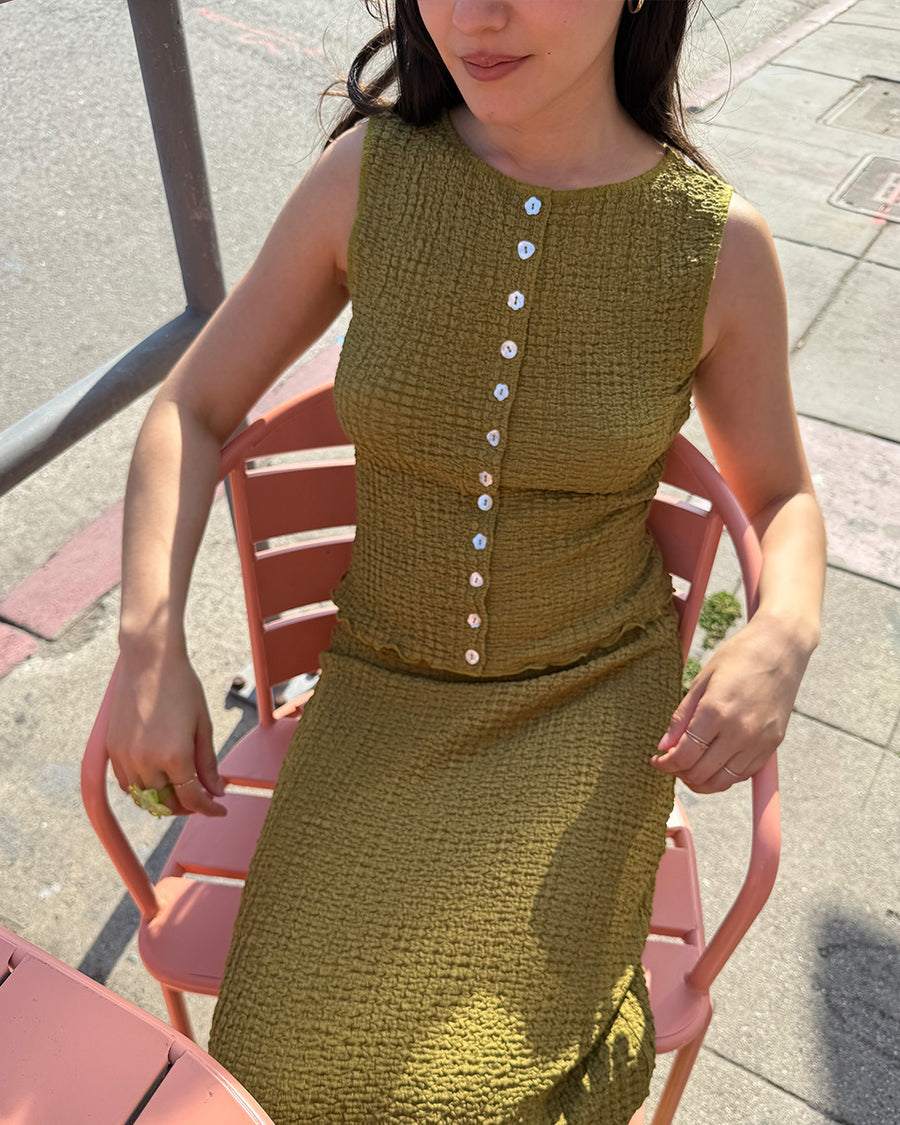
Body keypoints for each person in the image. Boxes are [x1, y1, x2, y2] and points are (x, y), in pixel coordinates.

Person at [107, 1, 826, 1122]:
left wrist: (783, 630)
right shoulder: (370, 179)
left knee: (475, 1097)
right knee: (271, 1079)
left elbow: (780, 496)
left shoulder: (713, 246)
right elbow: (190, 409)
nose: (475, 15)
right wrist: (147, 645)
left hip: (586, 708)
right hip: (379, 698)